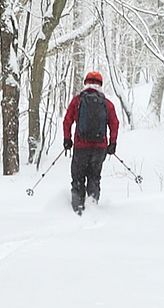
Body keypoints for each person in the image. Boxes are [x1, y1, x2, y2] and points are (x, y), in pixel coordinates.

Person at [63, 71, 119, 215]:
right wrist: (112, 143)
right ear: (100, 84)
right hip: (99, 149)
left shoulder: (77, 101)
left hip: (81, 147)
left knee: (78, 177)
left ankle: (77, 210)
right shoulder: (107, 103)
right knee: (94, 177)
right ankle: (93, 207)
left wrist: (67, 139)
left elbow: (67, 121)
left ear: (85, 83)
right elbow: (114, 123)